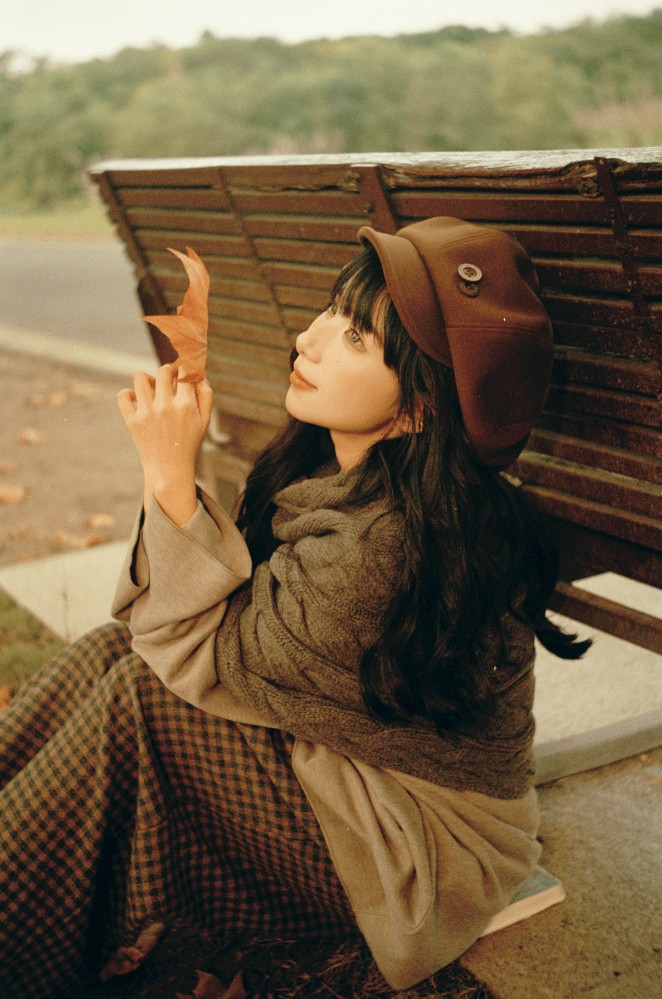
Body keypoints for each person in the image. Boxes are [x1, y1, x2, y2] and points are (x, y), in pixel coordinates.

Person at [0, 217, 589, 997]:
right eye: (331, 311)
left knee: (144, 699)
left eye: (355, 336)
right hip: (359, 762)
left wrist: (169, 477)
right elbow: (171, 634)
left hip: (422, 847)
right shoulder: (344, 479)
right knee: (109, 652)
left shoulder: (386, 547)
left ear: (422, 403)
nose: (309, 338)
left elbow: (196, 658)